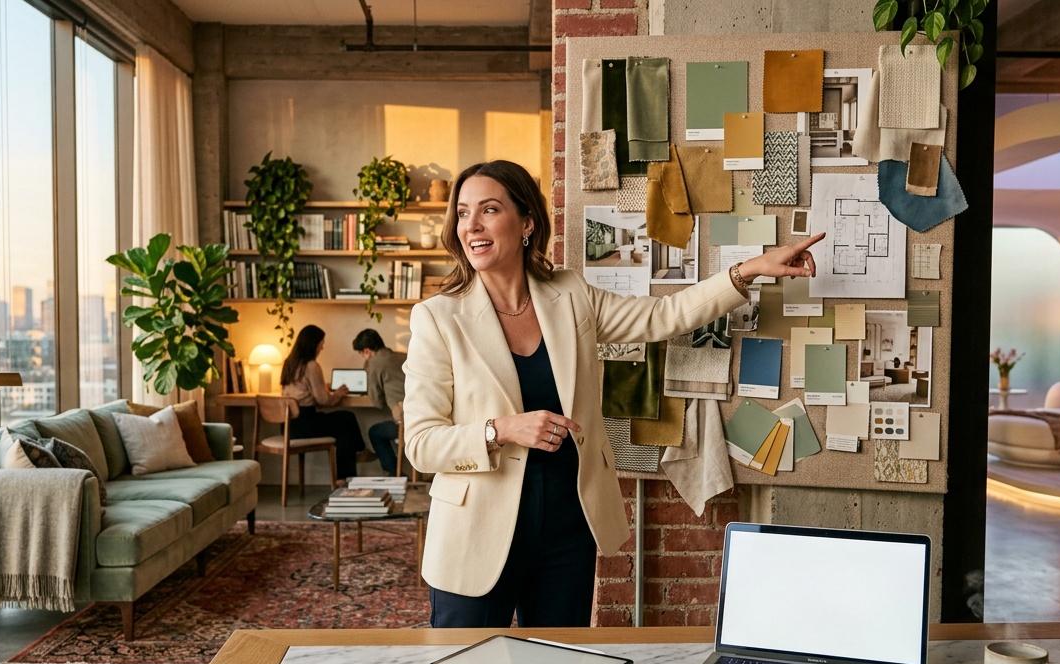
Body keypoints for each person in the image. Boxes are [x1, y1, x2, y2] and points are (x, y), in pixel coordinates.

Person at [403, 160, 823, 628]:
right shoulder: (437, 319)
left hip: (566, 525)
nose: (472, 226)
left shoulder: (570, 296)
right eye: (462, 213)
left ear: (525, 223)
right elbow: (421, 444)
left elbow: (664, 315)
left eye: (489, 209)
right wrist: (501, 429)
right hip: (474, 534)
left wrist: (749, 271)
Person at [280, 325, 368, 481]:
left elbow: (304, 392)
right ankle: (356, 458)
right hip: (305, 423)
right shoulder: (312, 365)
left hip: (288, 426)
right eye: (322, 342)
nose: (323, 346)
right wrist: (338, 394)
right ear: (313, 343)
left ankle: (347, 474)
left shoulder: (289, 363)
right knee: (346, 420)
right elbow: (324, 401)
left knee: (342, 426)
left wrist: (323, 389)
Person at [353, 329, 407, 475]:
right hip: (422, 420)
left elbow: (377, 402)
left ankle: (395, 473)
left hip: (404, 425)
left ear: (367, 351)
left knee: (375, 432)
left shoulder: (375, 363)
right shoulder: (404, 357)